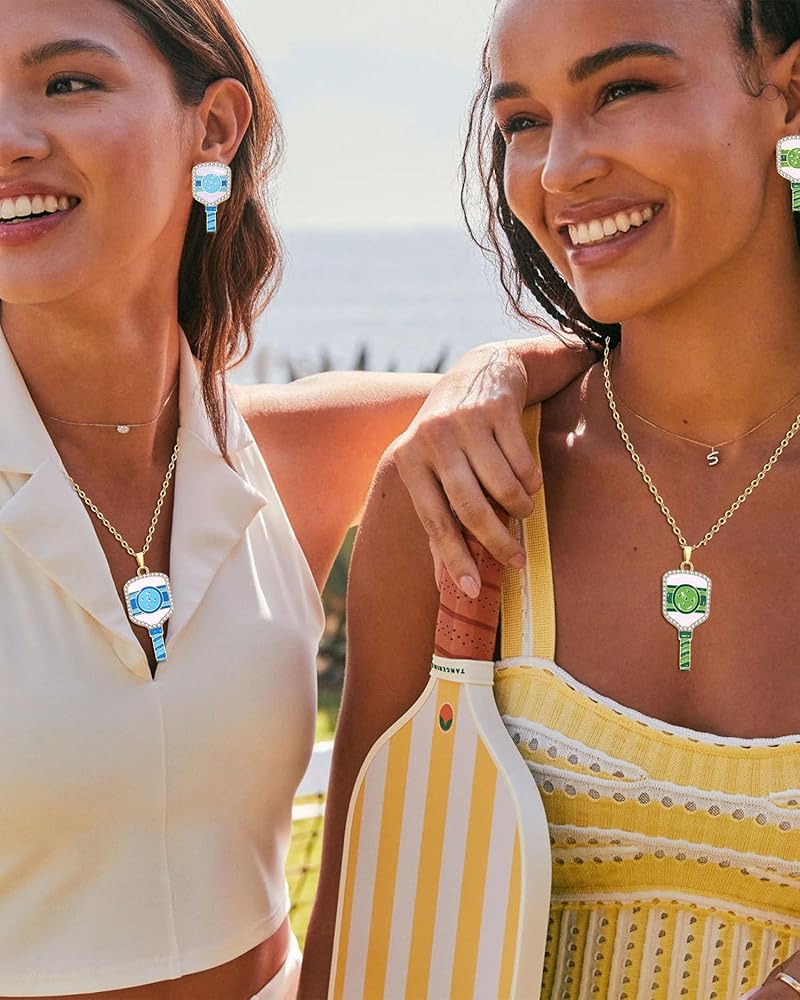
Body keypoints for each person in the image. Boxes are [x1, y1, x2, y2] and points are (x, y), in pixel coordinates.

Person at [0, 1, 591, 998]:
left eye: (67, 83)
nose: (9, 138)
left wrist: (493, 368)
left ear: (214, 127)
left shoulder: (284, 455)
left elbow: (608, 389)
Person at [301, 1, 800, 997]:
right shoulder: (459, 497)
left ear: (787, 95)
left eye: (624, 89)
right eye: (523, 121)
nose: (560, 169)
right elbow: (355, 956)